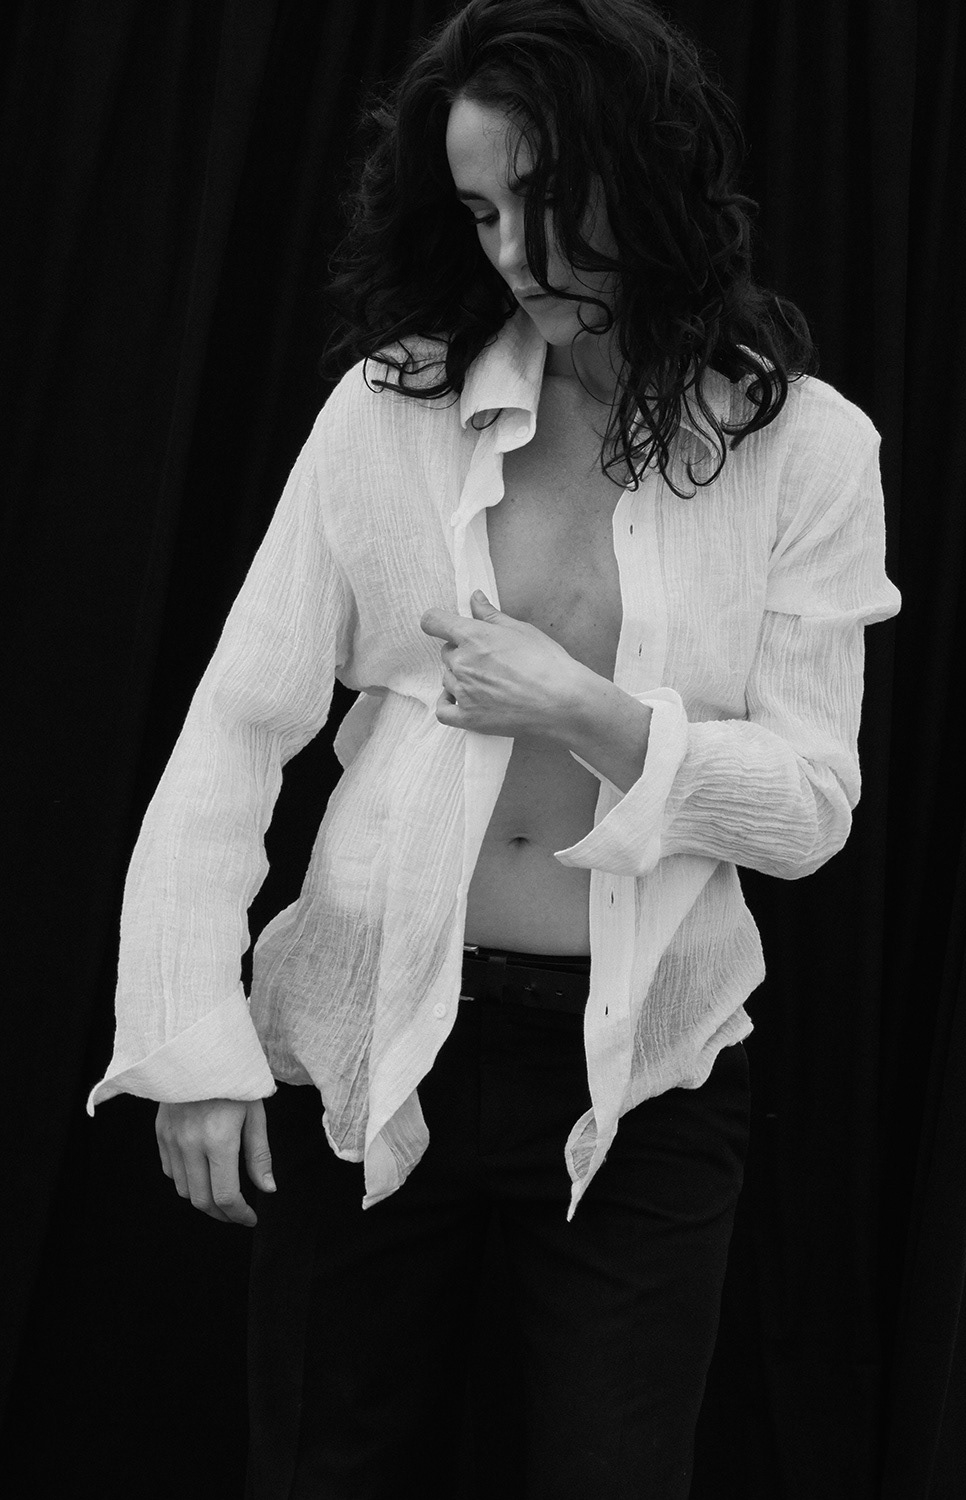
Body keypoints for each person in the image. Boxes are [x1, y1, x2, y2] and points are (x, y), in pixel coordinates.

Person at [87, 1, 902, 1496]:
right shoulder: (392, 412)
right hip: (369, 1035)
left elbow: (809, 809)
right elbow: (237, 727)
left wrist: (586, 710)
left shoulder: (805, 451)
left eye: (546, 199)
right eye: (480, 213)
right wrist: (189, 1042)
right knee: (329, 1467)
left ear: (645, 171)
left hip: (642, 1074)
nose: (517, 255)